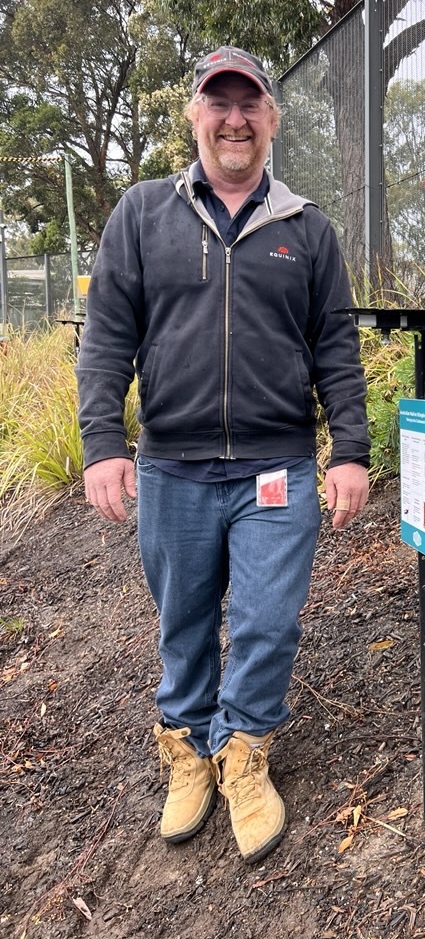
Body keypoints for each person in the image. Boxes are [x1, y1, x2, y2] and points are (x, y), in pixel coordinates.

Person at [76, 46, 370, 864]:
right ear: (195, 115)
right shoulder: (142, 213)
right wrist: (103, 442)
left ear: (272, 121)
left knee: (269, 621)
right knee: (184, 623)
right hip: (172, 466)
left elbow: (336, 350)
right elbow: (106, 341)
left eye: (250, 104)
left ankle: (242, 751)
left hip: (276, 466)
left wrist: (350, 450)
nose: (234, 118)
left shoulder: (307, 230)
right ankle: (188, 749)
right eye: (219, 103)